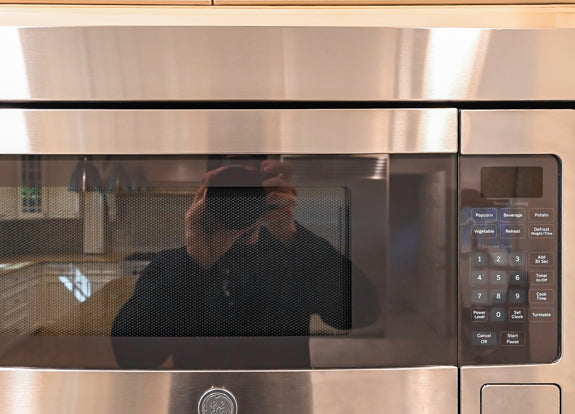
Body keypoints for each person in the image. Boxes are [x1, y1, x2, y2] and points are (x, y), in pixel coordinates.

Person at [111, 157, 379, 370]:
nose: (238, 196)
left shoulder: (293, 257)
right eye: (228, 185)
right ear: (204, 192)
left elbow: (361, 313)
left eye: (247, 186)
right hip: (198, 407)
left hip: (282, 409)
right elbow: (133, 357)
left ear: (267, 190)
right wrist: (195, 263)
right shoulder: (177, 264)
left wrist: (291, 234)